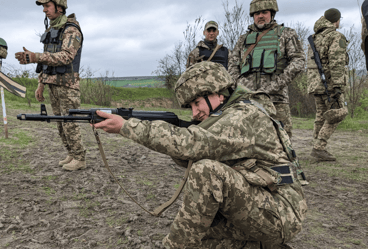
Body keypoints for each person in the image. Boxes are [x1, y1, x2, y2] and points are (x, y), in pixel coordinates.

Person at [92, 61, 307, 248]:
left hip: (279, 214)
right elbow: (187, 152)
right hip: (261, 203)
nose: (195, 113)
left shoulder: (244, 116)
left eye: (197, 103)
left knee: (206, 171)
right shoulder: (230, 113)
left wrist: (127, 127)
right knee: (199, 237)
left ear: (217, 92)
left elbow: (192, 143)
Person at [15, 0, 86, 171]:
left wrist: (35, 57)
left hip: (68, 86)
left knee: (70, 122)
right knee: (60, 123)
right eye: (43, 7)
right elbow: (47, 62)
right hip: (53, 84)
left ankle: (80, 158)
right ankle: (71, 153)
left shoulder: (71, 29)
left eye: (47, 6)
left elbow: (66, 57)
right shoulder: (51, 30)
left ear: (59, 7)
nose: (44, 10)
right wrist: (41, 84)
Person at [228, 0, 305, 138]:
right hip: (247, 99)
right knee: (246, 140)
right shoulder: (243, 39)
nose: (261, 16)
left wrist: (276, 85)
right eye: (257, 13)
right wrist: (240, 85)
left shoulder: (286, 34)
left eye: (264, 12)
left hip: (276, 99)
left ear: (272, 13)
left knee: (282, 141)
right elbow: (233, 63)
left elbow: (298, 61)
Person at [307, 8, 348, 161]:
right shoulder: (335, 36)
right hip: (329, 83)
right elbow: (336, 62)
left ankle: (316, 148)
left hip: (315, 83)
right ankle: (319, 147)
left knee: (321, 116)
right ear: (336, 20)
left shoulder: (315, 37)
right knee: (338, 113)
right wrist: (337, 85)